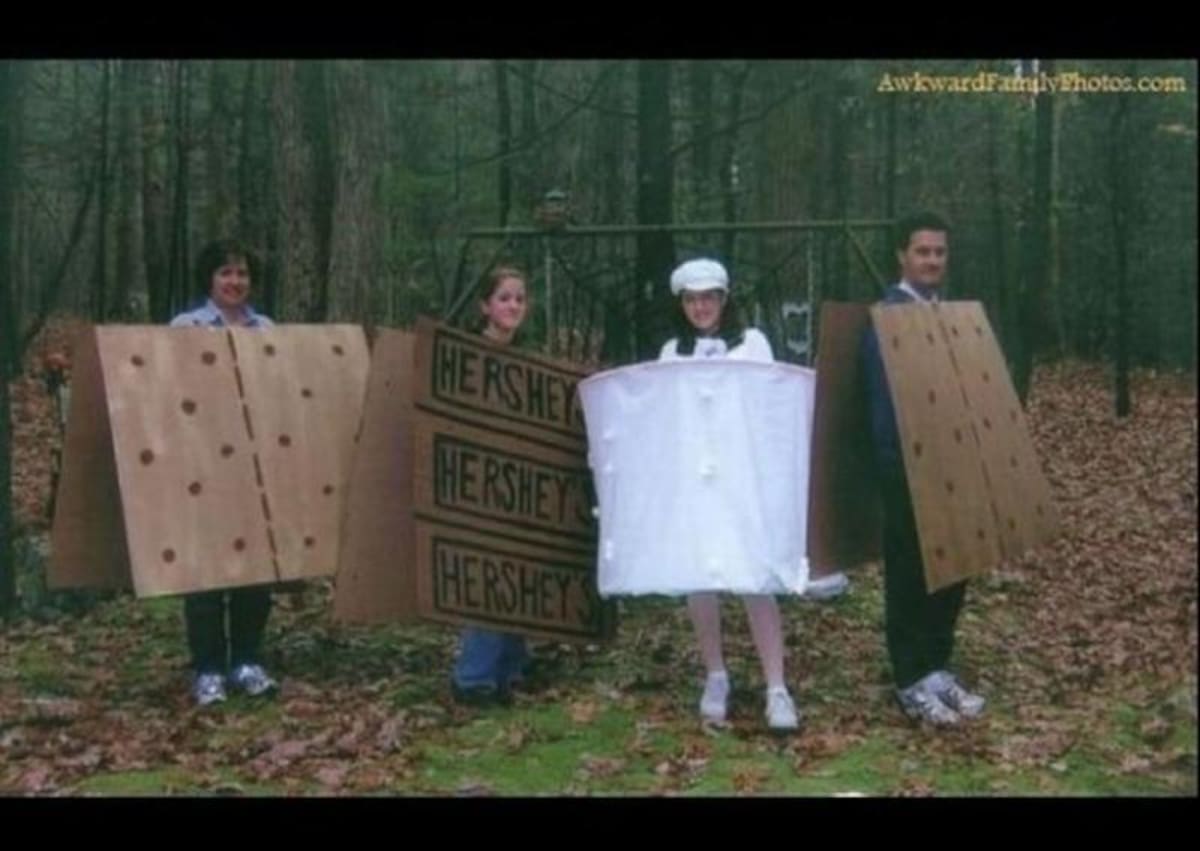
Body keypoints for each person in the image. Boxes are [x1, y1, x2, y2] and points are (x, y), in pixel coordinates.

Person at [658, 257, 800, 732]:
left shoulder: (752, 343)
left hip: (742, 478)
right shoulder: (671, 352)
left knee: (752, 575)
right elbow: (664, 416)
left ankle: (776, 685)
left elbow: (771, 406)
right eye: (692, 299)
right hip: (695, 481)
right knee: (701, 575)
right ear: (682, 304)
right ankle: (715, 674)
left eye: (709, 298)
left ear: (723, 300)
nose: (700, 307)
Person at [859, 212, 985, 726]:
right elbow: (880, 402)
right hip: (906, 468)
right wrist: (897, 469)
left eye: (939, 252)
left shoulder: (954, 318)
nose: (932, 260)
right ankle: (910, 678)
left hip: (958, 465)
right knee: (911, 573)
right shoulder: (885, 319)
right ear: (901, 256)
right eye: (923, 251)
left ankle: (937, 668)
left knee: (954, 569)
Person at [170, 238, 278, 707]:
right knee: (206, 572)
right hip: (203, 462)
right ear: (209, 280)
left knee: (256, 569)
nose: (235, 282)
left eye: (242, 274)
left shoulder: (267, 329)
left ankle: (248, 661)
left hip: (256, 463)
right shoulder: (184, 327)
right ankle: (209, 668)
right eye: (226, 273)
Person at [449, 265, 534, 706]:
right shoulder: (464, 355)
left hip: (518, 484)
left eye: (520, 298)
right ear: (485, 305)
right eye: (504, 298)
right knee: (488, 576)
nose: (513, 306)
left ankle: (511, 665)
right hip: (477, 485)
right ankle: (474, 676)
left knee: (516, 571)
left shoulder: (527, 359)